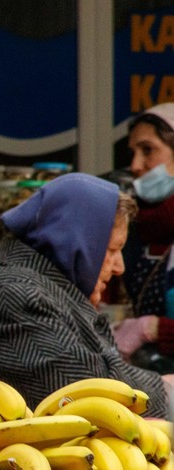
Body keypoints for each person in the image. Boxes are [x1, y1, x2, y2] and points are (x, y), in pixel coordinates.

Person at [0, 173, 171, 417]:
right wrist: (165, 392)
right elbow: (86, 388)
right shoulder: (11, 295)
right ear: (77, 244)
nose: (119, 267)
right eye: (112, 250)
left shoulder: (37, 289)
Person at [112, 103, 174, 368]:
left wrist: (154, 328)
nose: (136, 165)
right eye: (132, 153)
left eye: (148, 150)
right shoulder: (133, 227)